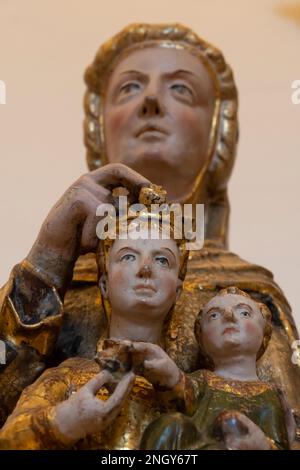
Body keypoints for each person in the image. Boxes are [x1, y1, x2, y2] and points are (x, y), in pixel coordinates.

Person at [0, 24, 299, 443]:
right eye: (129, 88)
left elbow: (284, 424)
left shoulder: (248, 293)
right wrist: (49, 256)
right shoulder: (58, 282)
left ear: (218, 132)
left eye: (181, 89)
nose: (152, 101)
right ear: (97, 126)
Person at [0, 186, 189, 449]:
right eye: (129, 256)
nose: (145, 269)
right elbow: (10, 439)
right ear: (103, 284)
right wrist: (63, 423)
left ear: (178, 291)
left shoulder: (193, 387)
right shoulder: (69, 377)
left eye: (162, 260)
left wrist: (178, 387)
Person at [139, 287, 295, 450]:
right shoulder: (201, 381)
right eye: (214, 315)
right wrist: (167, 372)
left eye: (244, 313)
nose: (229, 317)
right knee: (170, 424)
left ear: (264, 332)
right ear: (202, 337)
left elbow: (279, 445)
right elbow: (179, 395)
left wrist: (258, 443)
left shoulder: (269, 393)